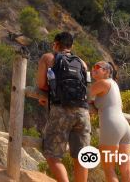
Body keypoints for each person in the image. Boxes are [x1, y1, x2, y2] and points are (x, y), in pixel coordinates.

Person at [36, 32, 90, 182]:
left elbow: (41, 84)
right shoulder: (82, 63)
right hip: (83, 112)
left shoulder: (48, 58)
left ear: (55, 44)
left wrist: (50, 94)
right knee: (81, 156)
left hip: (62, 110)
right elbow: (87, 87)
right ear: (71, 46)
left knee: (52, 155)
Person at [89, 61, 130, 182]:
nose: (93, 69)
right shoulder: (113, 84)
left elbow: (83, 95)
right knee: (126, 169)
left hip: (111, 126)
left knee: (109, 169)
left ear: (107, 72)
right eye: (93, 66)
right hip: (124, 126)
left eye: (97, 67)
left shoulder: (102, 83)